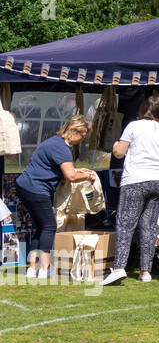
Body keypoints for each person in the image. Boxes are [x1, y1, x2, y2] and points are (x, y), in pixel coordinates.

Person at [104, 95, 159, 285]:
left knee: (125, 224)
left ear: (142, 110)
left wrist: (115, 146)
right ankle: (146, 271)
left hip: (135, 180)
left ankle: (120, 267)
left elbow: (119, 152)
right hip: (158, 181)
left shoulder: (133, 126)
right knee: (148, 226)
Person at [16, 114, 95, 280]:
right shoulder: (61, 147)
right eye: (82, 135)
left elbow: (66, 169)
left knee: (40, 226)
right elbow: (71, 176)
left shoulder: (55, 142)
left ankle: (32, 269)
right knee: (49, 226)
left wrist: (80, 170)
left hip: (26, 186)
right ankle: (45, 269)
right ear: (74, 131)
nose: (83, 138)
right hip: (35, 188)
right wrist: (88, 177)